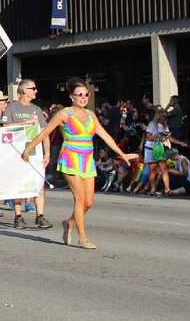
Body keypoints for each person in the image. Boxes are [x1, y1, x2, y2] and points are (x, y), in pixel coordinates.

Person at [22, 77, 138, 249]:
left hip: (87, 160)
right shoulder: (64, 114)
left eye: (86, 94)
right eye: (79, 95)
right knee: (80, 199)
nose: (83, 98)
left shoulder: (91, 115)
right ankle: (82, 238)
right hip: (70, 158)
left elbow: (106, 136)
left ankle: (69, 222)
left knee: (89, 202)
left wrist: (123, 154)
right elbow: (45, 133)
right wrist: (28, 149)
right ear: (71, 97)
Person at [1, 80, 52, 229]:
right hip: (16, 153)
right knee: (17, 184)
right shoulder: (11, 107)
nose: (36, 91)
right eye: (33, 88)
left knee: (39, 184)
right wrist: (26, 123)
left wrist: (47, 153)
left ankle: (40, 216)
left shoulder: (37, 109)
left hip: (35, 153)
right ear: (23, 91)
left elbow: (44, 133)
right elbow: (5, 127)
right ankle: (18, 216)